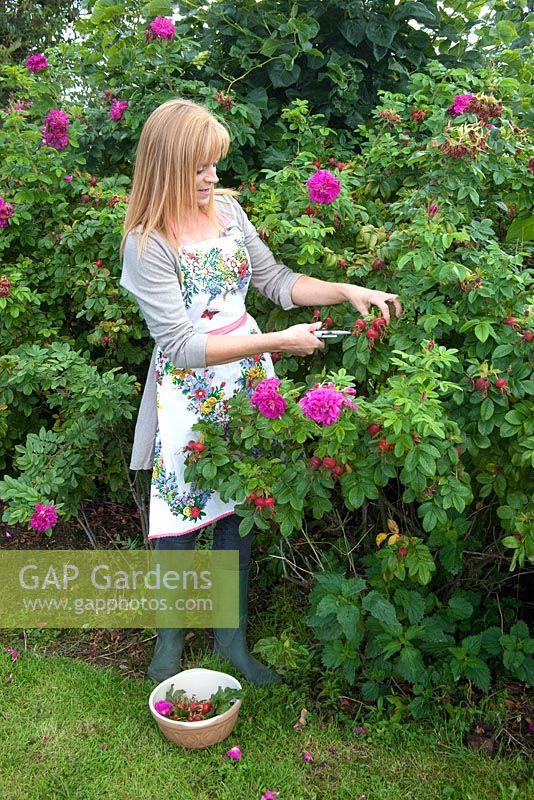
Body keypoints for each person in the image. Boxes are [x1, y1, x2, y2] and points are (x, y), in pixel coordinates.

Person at [120, 98, 401, 686]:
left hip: (246, 381)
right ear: (168, 166)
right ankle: (168, 644)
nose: (213, 177)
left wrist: (344, 290)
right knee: (179, 515)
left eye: (214, 165)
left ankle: (232, 643)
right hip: (189, 391)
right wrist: (278, 342)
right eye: (200, 167)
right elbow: (181, 346)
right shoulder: (146, 244)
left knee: (238, 506)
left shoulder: (228, 212)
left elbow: (274, 281)